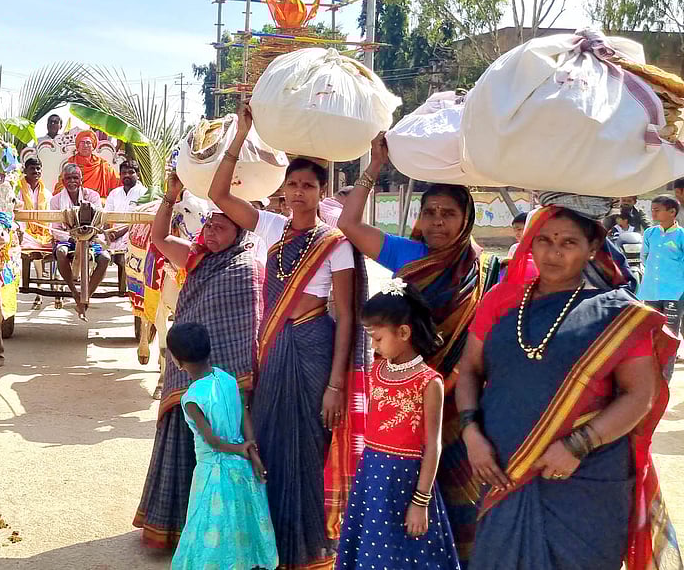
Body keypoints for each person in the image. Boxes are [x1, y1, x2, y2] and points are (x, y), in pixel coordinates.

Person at [455, 196, 682, 570]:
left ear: (592, 249)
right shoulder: (501, 299)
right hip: (502, 466)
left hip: (584, 476)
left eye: (568, 242)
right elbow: (469, 371)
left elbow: (640, 394)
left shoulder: (617, 313)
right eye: (544, 240)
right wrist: (471, 434)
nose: (553, 252)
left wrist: (578, 445)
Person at [209, 107, 368, 569]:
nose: (299, 192)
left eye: (308, 186)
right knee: (271, 438)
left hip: (315, 346)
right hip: (275, 345)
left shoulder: (336, 243)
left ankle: (308, 546)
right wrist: (241, 135)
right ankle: (269, 538)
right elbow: (219, 194)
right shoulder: (271, 226)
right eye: (293, 184)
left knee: (309, 443)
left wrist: (336, 385)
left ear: (321, 192)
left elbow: (347, 316)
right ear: (283, 189)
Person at [338, 132, 500, 562]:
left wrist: (458, 381)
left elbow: (487, 335)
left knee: (460, 488)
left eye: (448, 214)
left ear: (466, 219)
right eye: (429, 212)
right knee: (400, 497)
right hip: (405, 393)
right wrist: (375, 165)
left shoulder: (486, 269)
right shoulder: (409, 254)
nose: (437, 222)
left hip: (460, 395)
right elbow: (348, 224)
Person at [134, 173, 261, 550]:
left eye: (221, 227)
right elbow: (159, 238)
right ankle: (174, 525)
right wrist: (169, 198)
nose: (211, 232)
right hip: (187, 375)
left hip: (229, 386)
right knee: (184, 444)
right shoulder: (195, 256)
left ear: (239, 232)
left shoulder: (248, 268)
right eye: (209, 225)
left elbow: (247, 328)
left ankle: (222, 534)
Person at [336, 281, 460, 570]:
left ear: (404, 333)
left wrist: (421, 501)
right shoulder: (377, 370)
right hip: (372, 475)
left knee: (402, 553)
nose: (373, 346)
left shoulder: (429, 382)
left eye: (378, 339)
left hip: (406, 484)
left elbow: (433, 446)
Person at [167, 322, 277, 570]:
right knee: (240, 522)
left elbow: (213, 442)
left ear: (177, 361)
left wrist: (241, 449)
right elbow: (244, 414)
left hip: (213, 473)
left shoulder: (192, 398)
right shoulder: (228, 379)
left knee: (209, 525)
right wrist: (251, 452)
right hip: (242, 467)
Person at [50, 163, 108, 319]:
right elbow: (55, 229)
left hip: (91, 238)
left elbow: (99, 222)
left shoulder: (93, 196)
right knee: (61, 252)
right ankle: (75, 293)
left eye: (75, 178)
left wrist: (87, 236)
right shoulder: (55, 200)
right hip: (67, 239)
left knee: (105, 258)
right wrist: (71, 238)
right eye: (68, 178)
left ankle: (85, 296)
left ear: (81, 180)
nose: (72, 182)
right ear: (63, 181)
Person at [638, 195, 684, 336]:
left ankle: (670, 351)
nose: (653, 213)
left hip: (674, 291)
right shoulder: (650, 233)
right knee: (651, 328)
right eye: (652, 210)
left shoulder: (681, 235)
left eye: (657, 210)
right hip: (651, 290)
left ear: (672, 212)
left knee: (670, 331)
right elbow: (644, 257)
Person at [18, 158, 53, 309]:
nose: (36, 171)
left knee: (56, 244)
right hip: (23, 233)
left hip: (43, 233)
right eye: (32, 168)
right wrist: (23, 232)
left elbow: (51, 218)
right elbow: (17, 216)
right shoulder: (17, 190)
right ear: (25, 170)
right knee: (33, 244)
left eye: (38, 169)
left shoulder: (47, 193)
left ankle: (42, 288)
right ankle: (38, 288)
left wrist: (48, 232)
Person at [53, 130, 119, 197]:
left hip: (98, 201)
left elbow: (118, 182)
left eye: (88, 142)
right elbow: (60, 187)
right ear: (78, 147)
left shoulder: (102, 165)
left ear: (93, 147)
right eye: (82, 142)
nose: (85, 145)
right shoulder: (70, 164)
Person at [104, 160, 149, 255]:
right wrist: (107, 233)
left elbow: (141, 221)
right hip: (113, 234)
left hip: (133, 233)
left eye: (131, 172)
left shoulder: (144, 193)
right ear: (120, 175)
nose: (127, 175)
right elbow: (106, 216)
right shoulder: (114, 193)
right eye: (124, 173)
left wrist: (119, 233)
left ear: (138, 175)